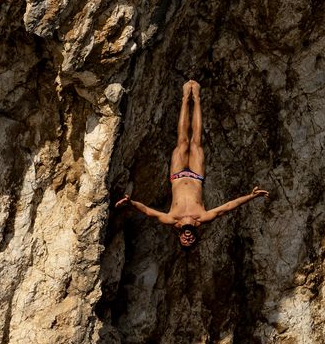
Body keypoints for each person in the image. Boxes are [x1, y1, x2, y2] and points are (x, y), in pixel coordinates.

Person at [115, 80, 269, 248]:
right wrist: (251, 196)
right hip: (196, 175)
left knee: (182, 140)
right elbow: (228, 207)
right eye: (191, 241)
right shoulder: (203, 217)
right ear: (195, 237)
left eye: (185, 241)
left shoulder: (171, 218)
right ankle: (196, 98)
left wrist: (131, 203)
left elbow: (147, 211)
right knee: (196, 140)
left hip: (177, 175)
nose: (187, 239)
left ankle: (184, 99)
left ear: (180, 238)